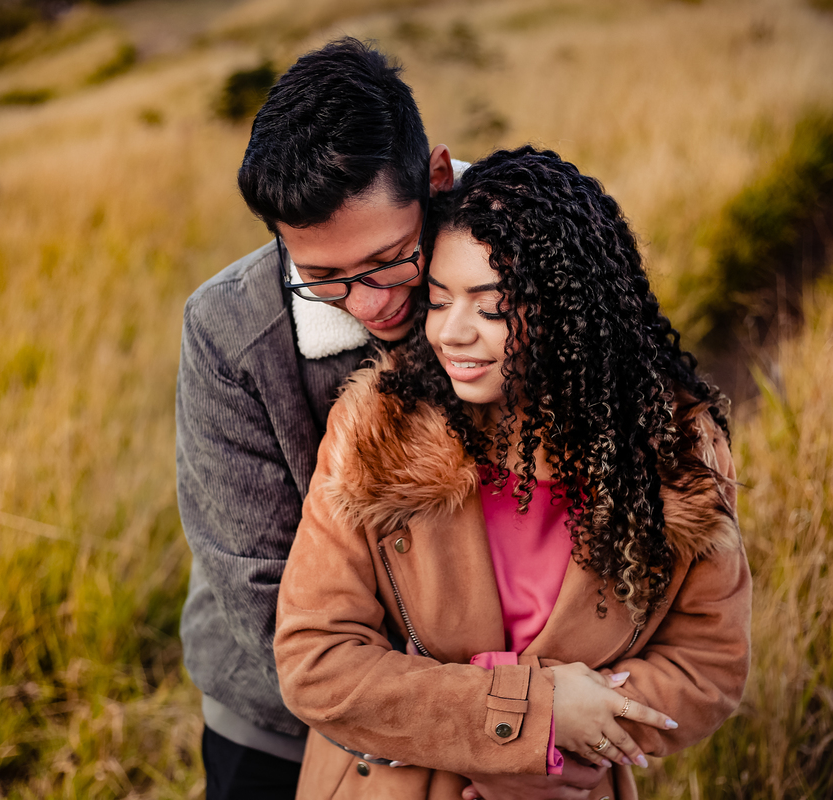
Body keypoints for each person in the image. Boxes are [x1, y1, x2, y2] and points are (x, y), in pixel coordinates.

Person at [176, 40, 605, 800]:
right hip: (280, 724)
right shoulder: (229, 334)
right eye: (324, 279)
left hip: (529, 723)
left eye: (389, 260)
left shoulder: (537, 265)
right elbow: (263, 592)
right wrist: (481, 727)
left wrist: (521, 726)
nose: (372, 304)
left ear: (436, 179)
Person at [274, 146, 753, 800]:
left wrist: (571, 747)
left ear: (568, 309)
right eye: (439, 301)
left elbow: (710, 665)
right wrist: (533, 718)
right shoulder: (378, 432)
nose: (453, 332)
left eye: (491, 306)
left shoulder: (674, 457)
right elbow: (315, 662)